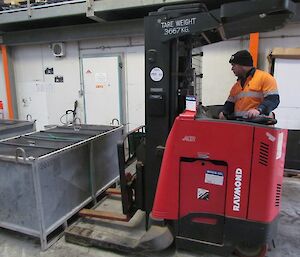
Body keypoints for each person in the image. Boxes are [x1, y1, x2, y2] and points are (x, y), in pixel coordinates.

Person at [219, 50, 280, 119]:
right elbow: (230, 104)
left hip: (260, 125)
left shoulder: (265, 78)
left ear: (242, 65)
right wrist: (224, 112)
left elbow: (273, 100)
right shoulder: (236, 86)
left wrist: (258, 110)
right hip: (240, 125)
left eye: (234, 65)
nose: (232, 69)